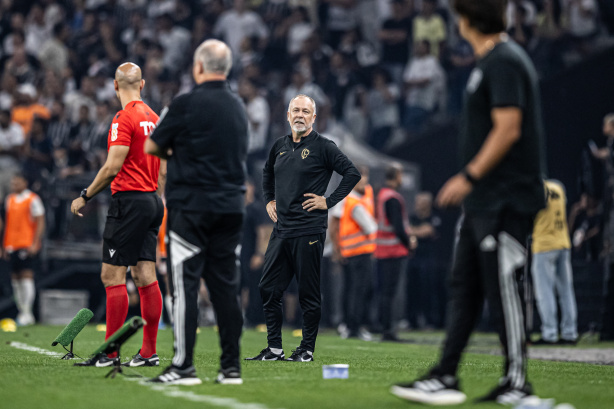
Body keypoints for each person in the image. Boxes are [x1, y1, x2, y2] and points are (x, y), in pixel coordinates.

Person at [391, 0, 546, 405]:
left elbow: (508, 128)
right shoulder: (487, 63)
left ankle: (517, 383)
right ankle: (445, 374)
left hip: (506, 199)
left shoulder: (505, 60)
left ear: (466, 20)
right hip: (482, 203)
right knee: (464, 288)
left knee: (505, 291)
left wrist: (469, 176)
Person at [145, 39, 248, 385]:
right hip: (231, 208)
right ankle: (231, 367)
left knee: (185, 287)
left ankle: (184, 366)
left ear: (199, 67)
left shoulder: (185, 104)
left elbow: (152, 145)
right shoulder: (239, 106)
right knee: (225, 289)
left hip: (192, 208)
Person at [246, 94, 360, 362]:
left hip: (309, 229)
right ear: (287, 115)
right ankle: (274, 349)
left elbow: (352, 173)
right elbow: (266, 174)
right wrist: (269, 200)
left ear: (313, 117)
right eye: (295, 110)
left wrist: (328, 201)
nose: (300, 115)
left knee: (308, 293)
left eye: (305, 111)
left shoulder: (324, 146)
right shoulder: (279, 146)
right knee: (267, 288)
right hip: (282, 229)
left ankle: (307, 349)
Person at [71, 63, 165, 368]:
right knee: (145, 275)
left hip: (129, 201)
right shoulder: (153, 117)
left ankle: (110, 353)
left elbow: (112, 167)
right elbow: (163, 167)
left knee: (112, 276)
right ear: (143, 84)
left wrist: (85, 195)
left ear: (115, 85)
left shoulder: (123, 118)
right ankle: (148, 352)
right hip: (152, 199)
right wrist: (156, 198)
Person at [330, 165, 377, 340]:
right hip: (351, 252)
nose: (363, 180)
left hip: (365, 250)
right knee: (354, 290)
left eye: (365, 176)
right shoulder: (346, 196)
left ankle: (356, 324)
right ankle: (351, 326)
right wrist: (337, 249)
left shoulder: (367, 194)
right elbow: (335, 224)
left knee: (363, 289)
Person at [531, 179, 578, 345]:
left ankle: (550, 333)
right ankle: (569, 332)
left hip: (544, 244)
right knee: (566, 290)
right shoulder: (557, 186)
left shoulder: (534, 189)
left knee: (544, 292)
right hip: (563, 242)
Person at [375, 163, 415, 342]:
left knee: (385, 292)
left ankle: (384, 327)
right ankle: (388, 330)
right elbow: (398, 227)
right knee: (390, 293)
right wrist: (409, 243)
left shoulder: (382, 195)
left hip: (382, 249)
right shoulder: (393, 197)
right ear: (397, 176)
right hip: (393, 250)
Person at [1, 174, 45, 326]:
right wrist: (4, 245)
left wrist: (35, 243)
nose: (14, 184)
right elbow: (7, 224)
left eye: (17, 181)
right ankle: (22, 311)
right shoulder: (9, 199)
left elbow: (40, 222)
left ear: (25, 182)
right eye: (13, 182)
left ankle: (28, 312)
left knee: (26, 277)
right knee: (15, 279)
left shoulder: (33, 199)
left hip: (26, 244)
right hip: (11, 244)